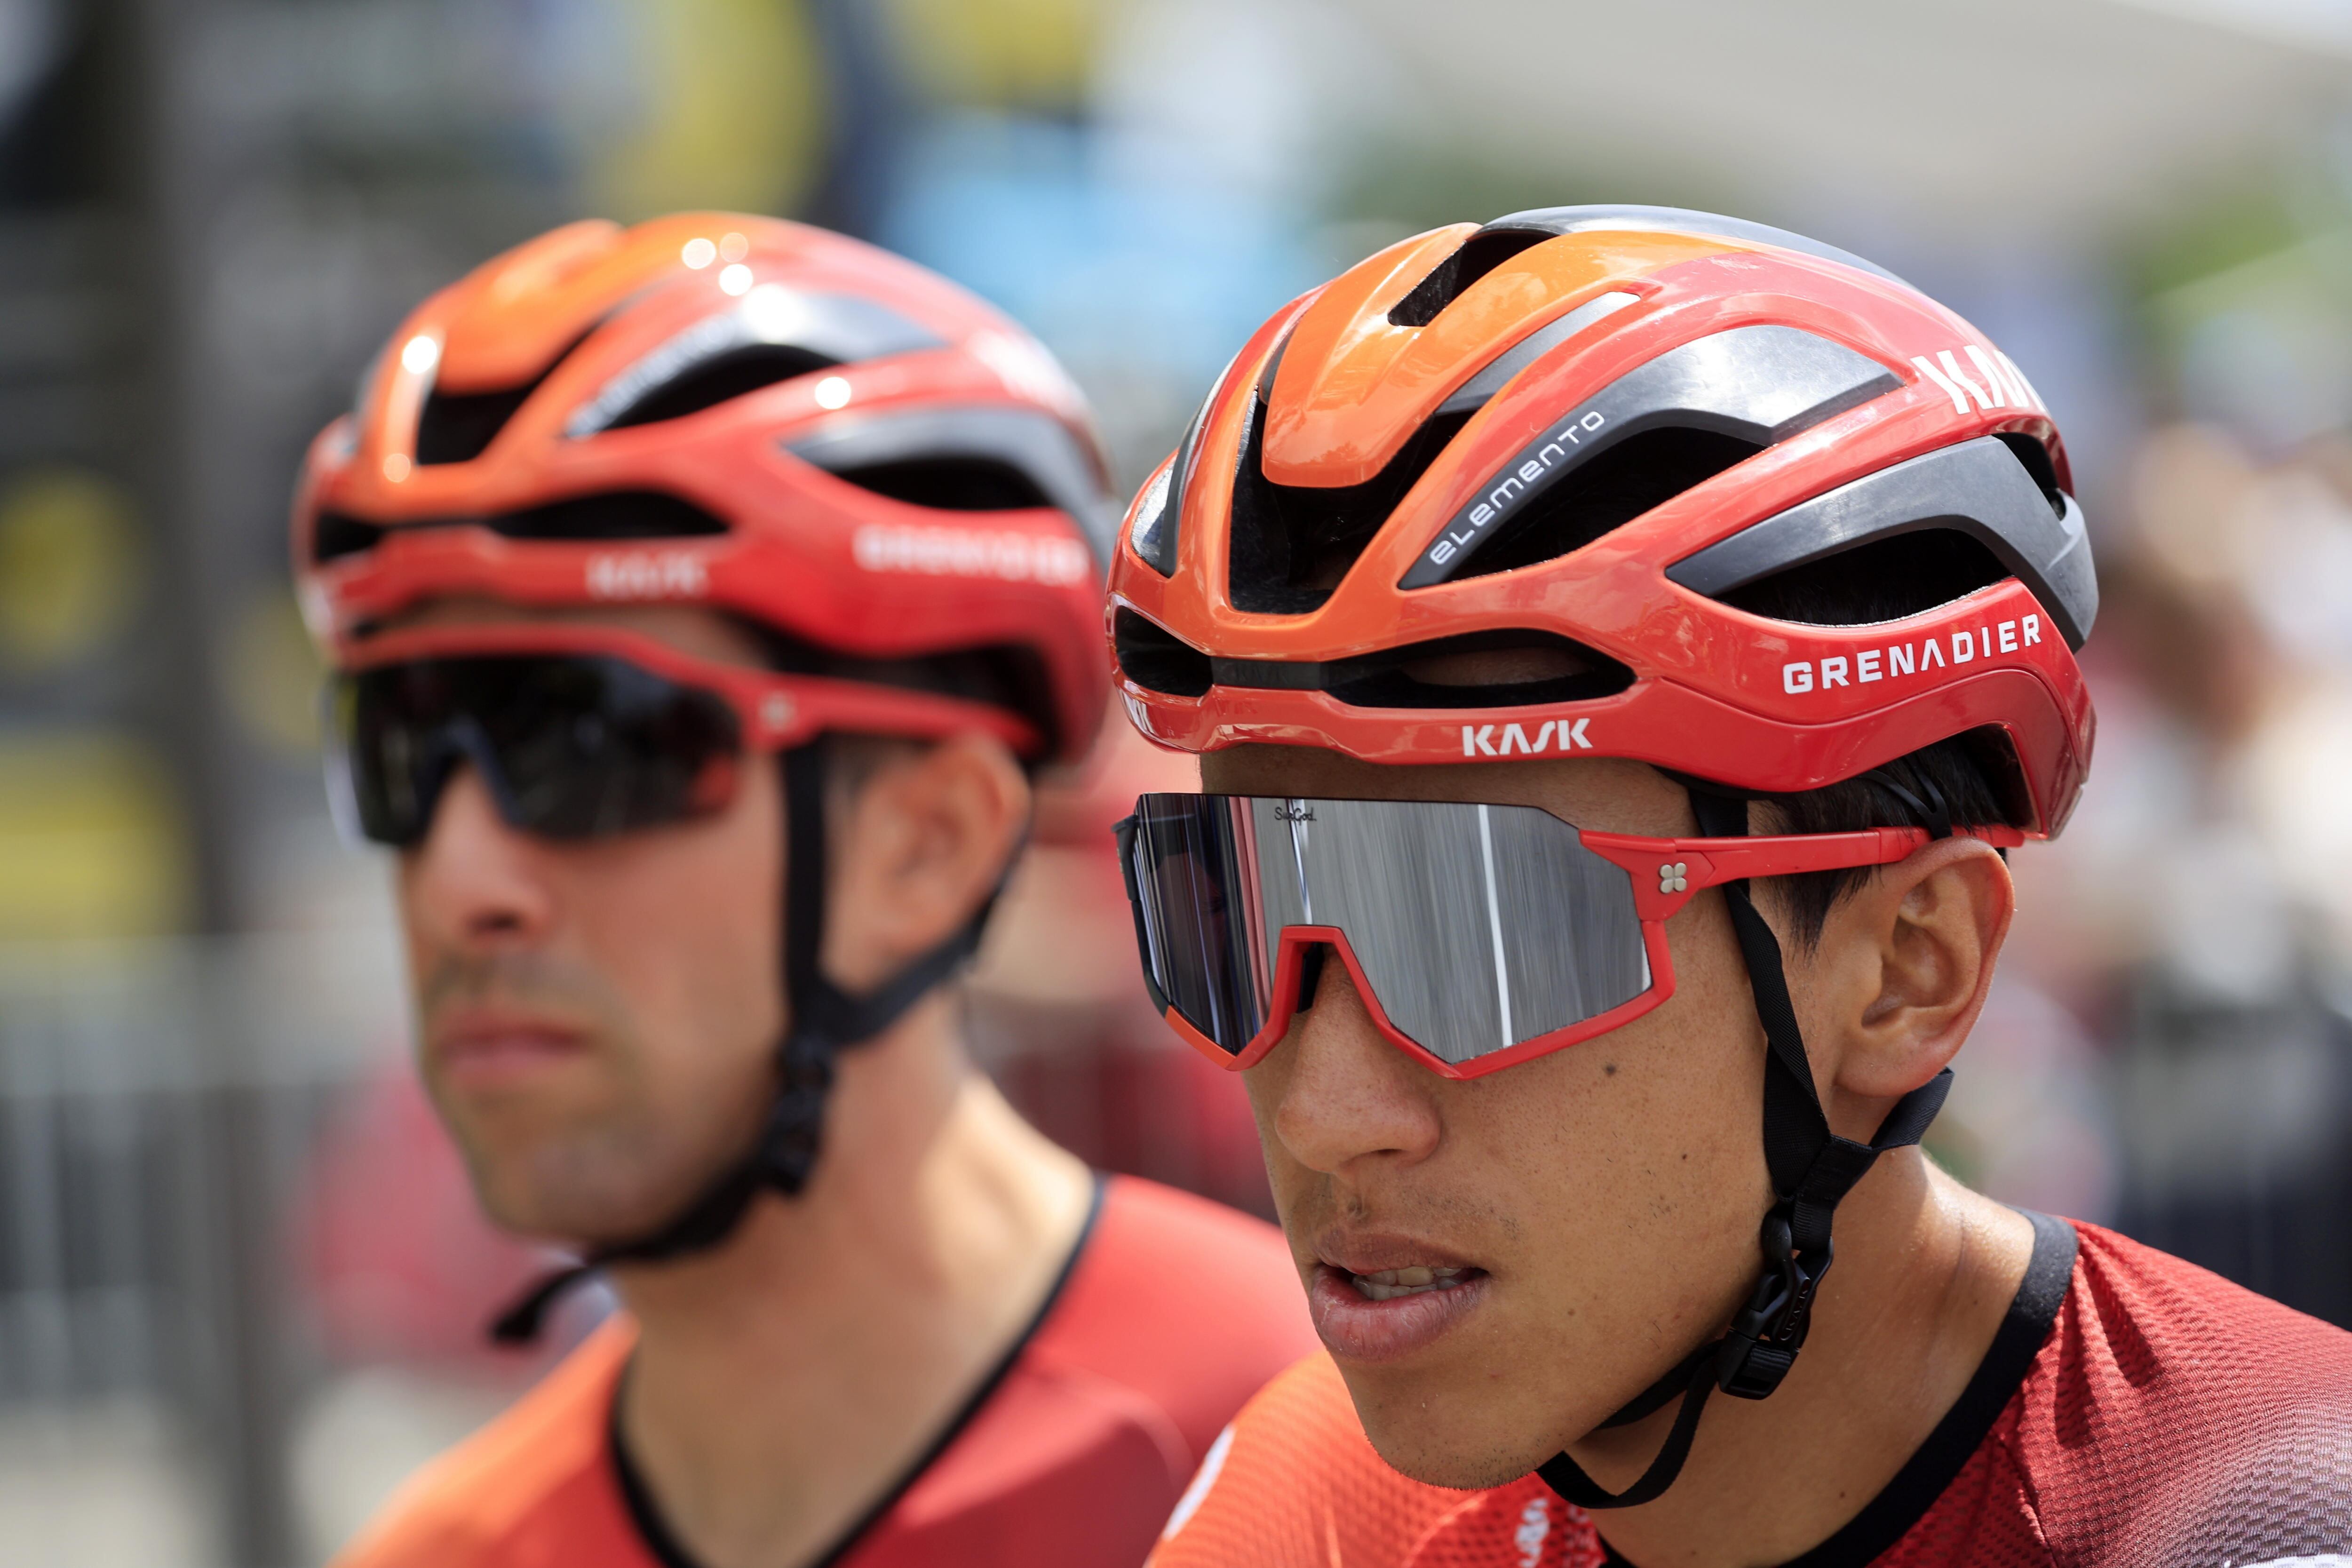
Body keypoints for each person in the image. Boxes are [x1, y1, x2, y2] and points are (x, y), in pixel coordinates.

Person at [1111, 206, 2352, 1566]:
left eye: (1470, 934)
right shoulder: (1303, 1509)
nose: (1326, 1113)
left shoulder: (2272, 1523)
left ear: (1905, 973)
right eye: (1222, 911)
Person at [295, 212, 1318, 1568]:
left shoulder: (1333, 1471)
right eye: (404, 750)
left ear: (926, 845)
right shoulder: (441, 1553)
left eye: (596, 745)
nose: (462, 879)